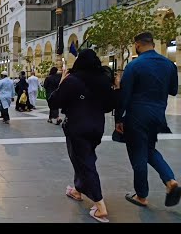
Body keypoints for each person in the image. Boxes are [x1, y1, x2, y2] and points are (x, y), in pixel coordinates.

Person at [48, 49, 116, 223]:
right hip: (97, 127)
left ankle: (100, 206)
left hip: (78, 127)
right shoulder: (103, 80)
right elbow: (109, 106)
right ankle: (78, 190)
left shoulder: (72, 80)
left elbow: (54, 102)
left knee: (85, 162)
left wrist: (62, 83)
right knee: (83, 158)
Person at [116, 32, 181, 208]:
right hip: (158, 114)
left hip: (136, 115)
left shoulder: (135, 65)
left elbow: (125, 94)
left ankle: (142, 196)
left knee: (138, 154)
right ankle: (170, 181)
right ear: (152, 43)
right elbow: (174, 90)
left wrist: (118, 118)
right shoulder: (169, 64)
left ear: (137, 45)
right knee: (149, 149)